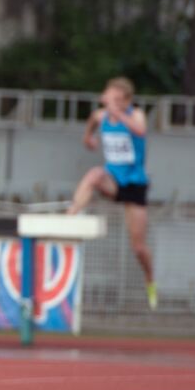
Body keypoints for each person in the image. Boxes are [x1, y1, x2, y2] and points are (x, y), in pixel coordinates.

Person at [68, 76, 156, 308]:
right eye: (110, 98)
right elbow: (92, 120)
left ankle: (150, 279)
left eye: (118, 99)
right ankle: (71, 214)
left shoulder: (135, 115)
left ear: (127, 100)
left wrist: (119, 114)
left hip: (135, 185)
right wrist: (88, 137)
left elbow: (140, 131)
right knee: (94, 175)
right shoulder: (101, 115)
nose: (111, 104)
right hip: (113, 181)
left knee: (138, 246)